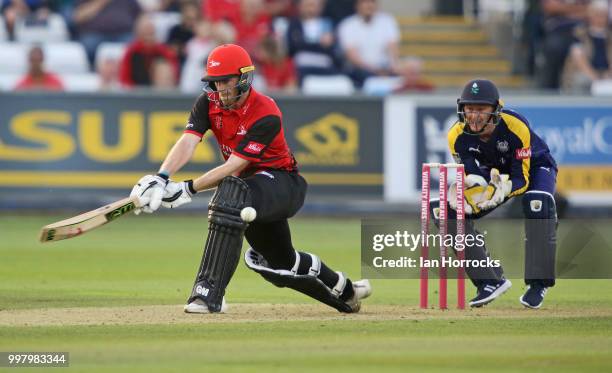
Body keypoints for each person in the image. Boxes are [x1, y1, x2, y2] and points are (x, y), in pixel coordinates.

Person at [129, 43, 372, 314]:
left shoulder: (266, 112)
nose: (220, 88)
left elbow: (236, 164)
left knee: (231, 192)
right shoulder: (208, 103)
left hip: (283, 183)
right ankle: (346, 288)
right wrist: (162, 177)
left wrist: (187, 189)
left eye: (226, 81)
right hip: (251, 190)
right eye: (215, 82)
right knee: (282, 262)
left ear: (244, 77)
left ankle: (209, 294)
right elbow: (188, 141)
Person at [434, 79, 558, 309]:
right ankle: (489, 281)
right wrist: (475, 191)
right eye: (470, 109)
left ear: (495, 109)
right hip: (493, 172)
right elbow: (474, 176)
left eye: (481, 109)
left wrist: (502, 190)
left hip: (535, 167)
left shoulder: (516, 126)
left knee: (536, 202)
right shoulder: (456, 136)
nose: (474, 116)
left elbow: (521, 179)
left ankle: (538, 283)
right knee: (445, 209)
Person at [337, 0, 400, 88]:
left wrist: (393, 65)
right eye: (365, 2)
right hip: (360, 71)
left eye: (372, 2)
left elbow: (392, 47)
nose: (369, 5)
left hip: (385, 69)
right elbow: (353, 56)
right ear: (357, 5)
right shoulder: (347, 25)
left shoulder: (387, 21)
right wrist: (375, 71)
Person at [562, 0, 612, 92]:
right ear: (590, 15)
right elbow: (578, 57)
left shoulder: (609, 35)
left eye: (602, 15)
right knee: (581, 81)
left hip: (606, 73)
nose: (600, 18)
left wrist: (608, 74)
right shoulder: (580, 33)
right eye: (597, 14)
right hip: (587, 73)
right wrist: (594, 76)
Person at [118, 15, 179, 88]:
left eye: (151, 32)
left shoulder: (164, 51)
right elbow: (125, 79)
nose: (148, 35)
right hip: (136, 94)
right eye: (145, 32)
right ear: (138, 34)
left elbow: (174, 74)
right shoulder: (131, 52)